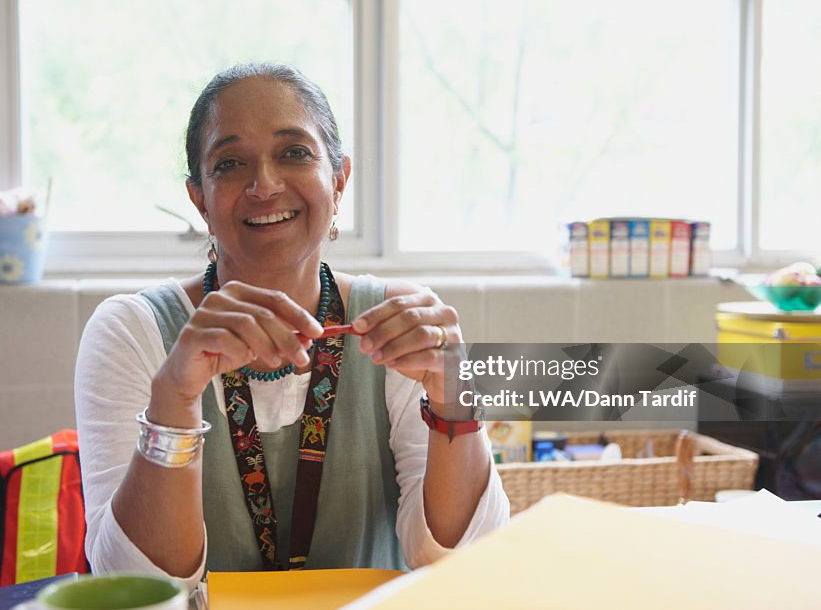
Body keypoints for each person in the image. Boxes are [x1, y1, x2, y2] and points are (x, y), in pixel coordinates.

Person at [74, 63, 509, 590]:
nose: (265, 185)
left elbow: (461, 561)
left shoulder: (402, 324)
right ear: (200, 201)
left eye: (294, 153)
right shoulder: (133, 331)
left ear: (339, 179)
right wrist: (173, 399)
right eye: (230, 163)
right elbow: (133, 583)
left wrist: (454, 397)